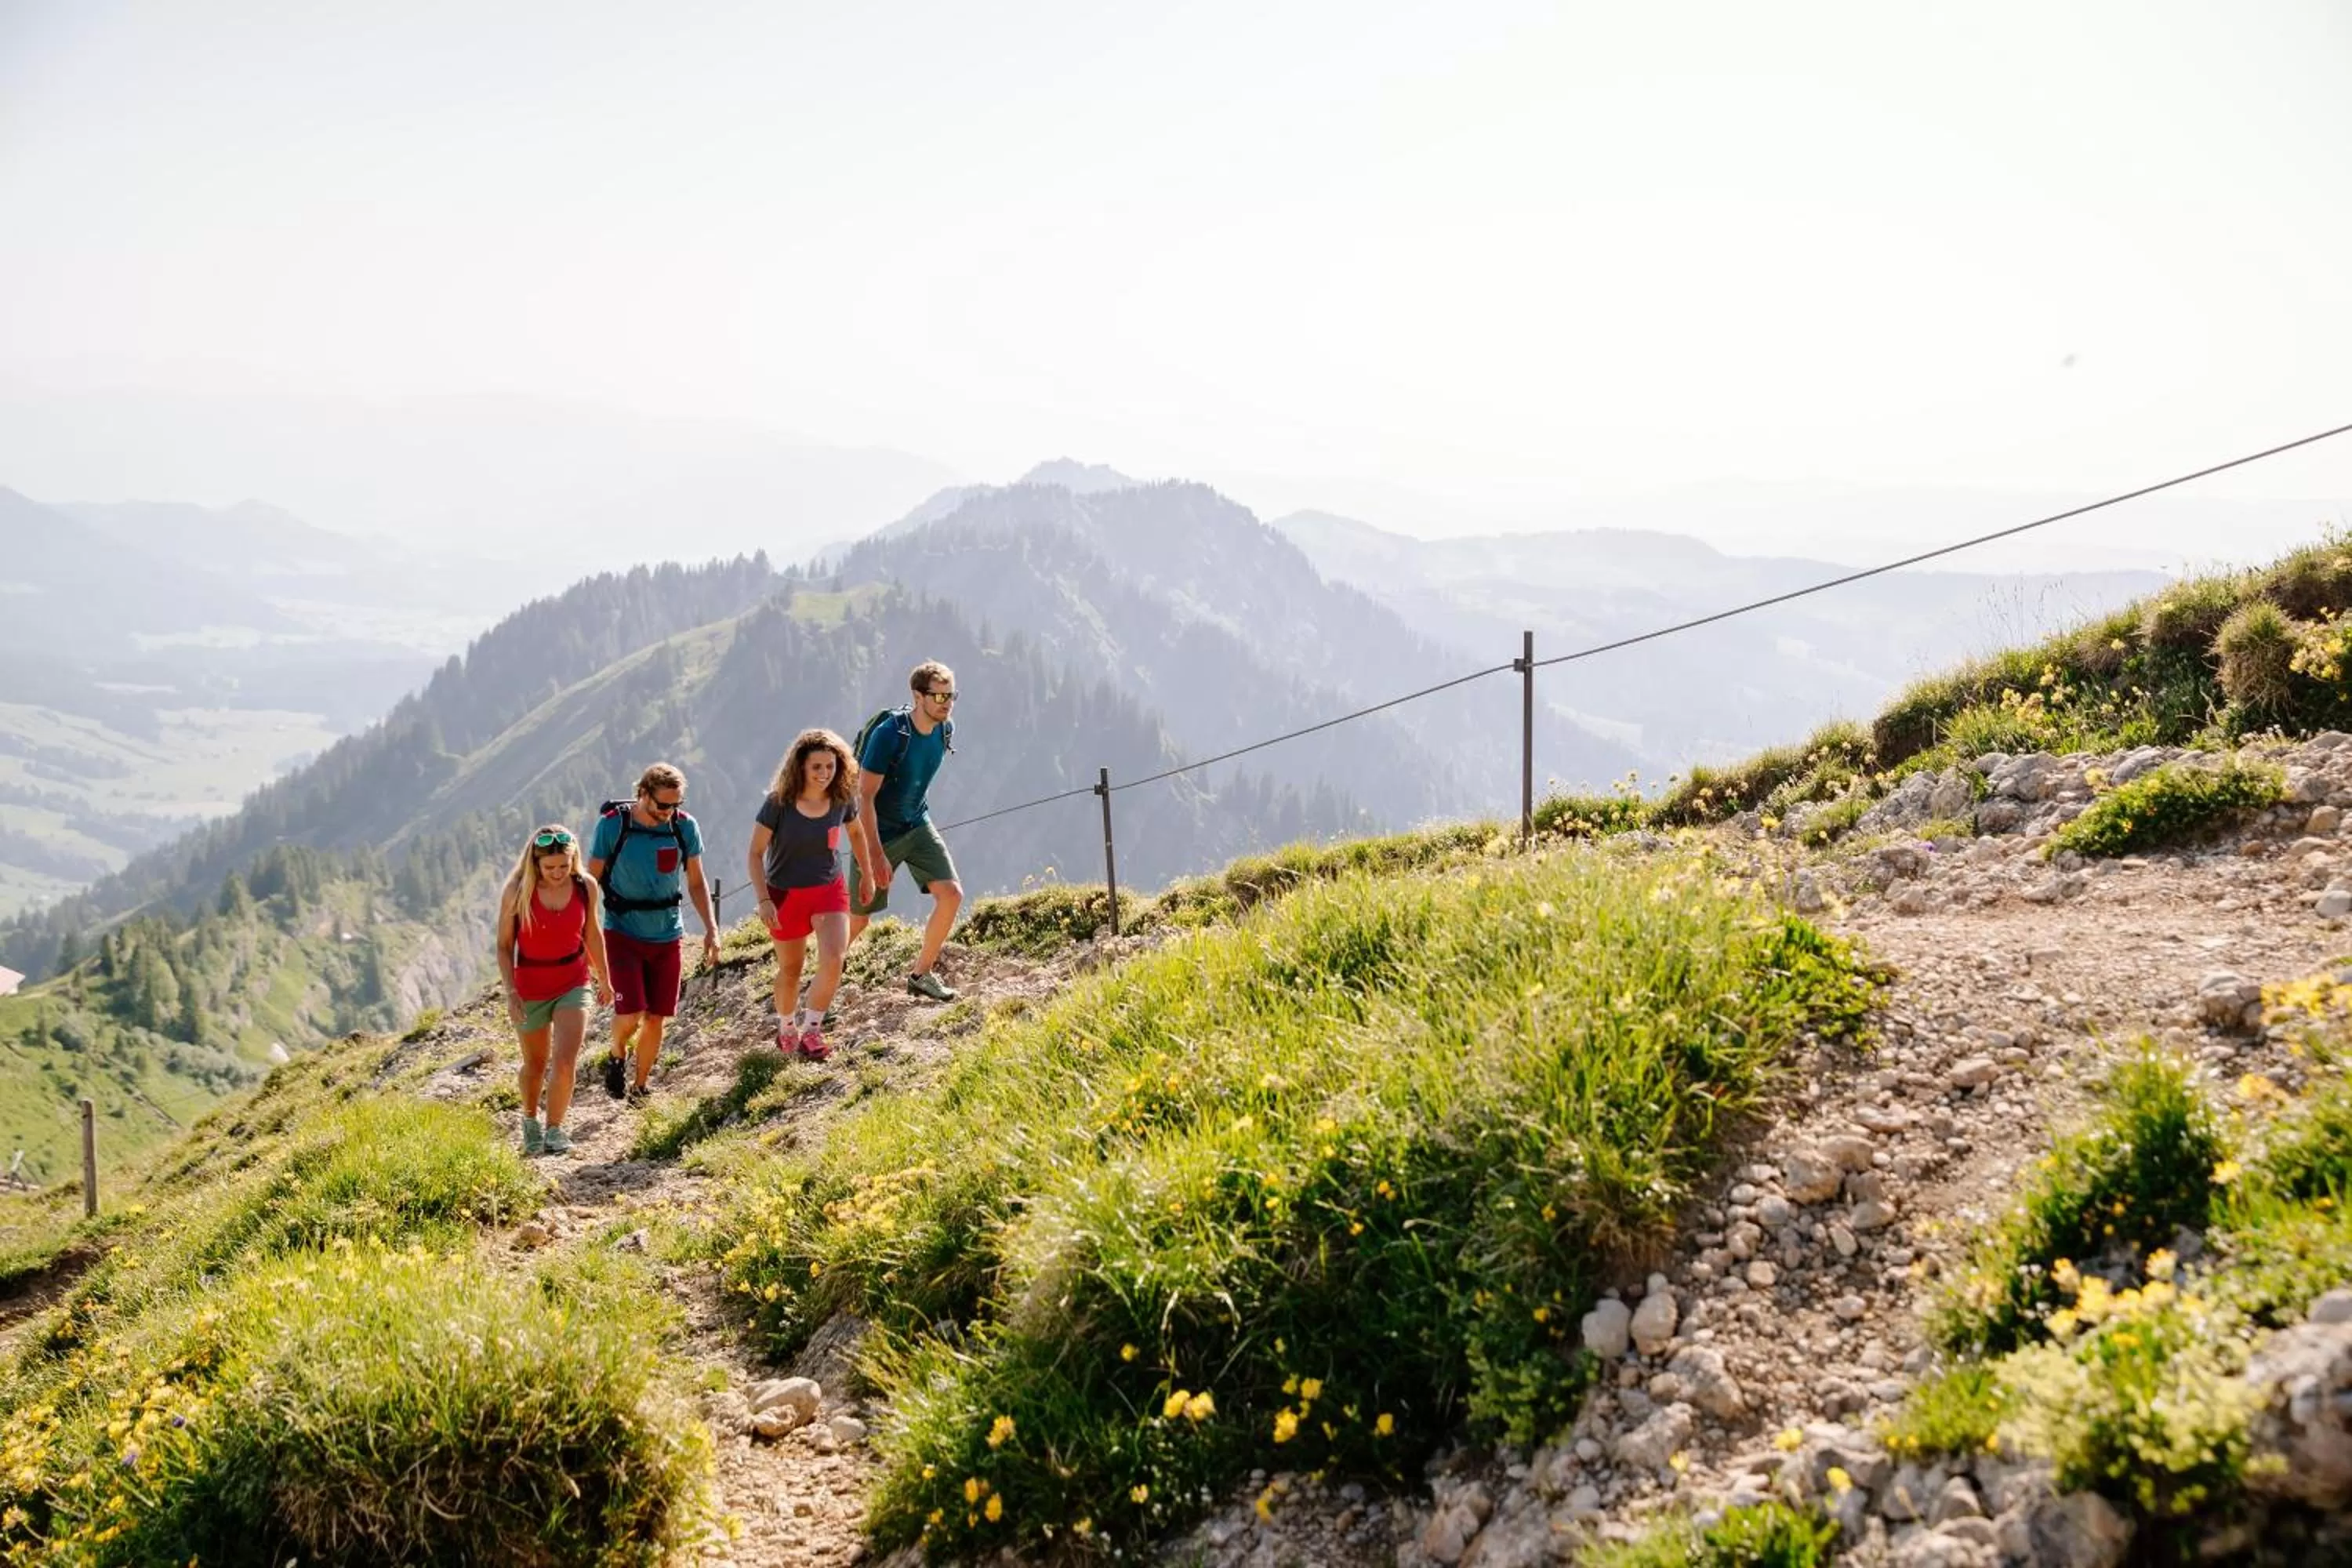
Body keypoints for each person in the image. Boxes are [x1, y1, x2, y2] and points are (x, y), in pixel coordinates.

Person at [587, 762, 719, 1102]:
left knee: (657, 1017)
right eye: (662, 804)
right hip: (622, 932)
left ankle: (641, 1087)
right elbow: (589, 881)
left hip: (667, 934)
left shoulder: (684, 828)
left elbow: (696, 881)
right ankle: (617, 1053)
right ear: (642, 794)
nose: (668, 812)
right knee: (630, 1014)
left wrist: (711, 929)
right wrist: (583, 935)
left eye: (675, 804)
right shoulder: (613, 826)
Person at [749, 728, 880, 1062]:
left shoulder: (841, 799)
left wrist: (865, 872)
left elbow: (856, 833)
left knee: (834, 958)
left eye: (831, 766)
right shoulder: (778, 803)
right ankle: (787, 1027)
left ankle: (812, 1031)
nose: (824, 774)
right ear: (801, 768)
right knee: (791, 969)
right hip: (784, 895)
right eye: (816, 767)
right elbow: (755, 853)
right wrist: (764, 899)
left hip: (829, 889)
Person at [495, 824, 613, 1156]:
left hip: (573, 981)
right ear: (535, 863)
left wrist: (604, 977)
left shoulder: (585, 886)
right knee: (535, 1063)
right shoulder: (517, 891)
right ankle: (530, 1120)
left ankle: (556, 1128)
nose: (558, 873)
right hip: (530, 985)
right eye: (550, 868)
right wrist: (511, 993)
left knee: (565, 1060)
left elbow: (592, 934)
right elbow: (504, 947)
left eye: (564, 865)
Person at [849, 660, 963, 1001]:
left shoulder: (945, 730)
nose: (946, 703)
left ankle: (921, 975)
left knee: (952, 895)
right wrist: (876, 855)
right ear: (917, 696)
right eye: (939, 696)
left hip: (917, 823)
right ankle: (818, 986)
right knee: (858, 920)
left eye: (951, 696)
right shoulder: (890, 735)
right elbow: (864, 796)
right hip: (877, 832)